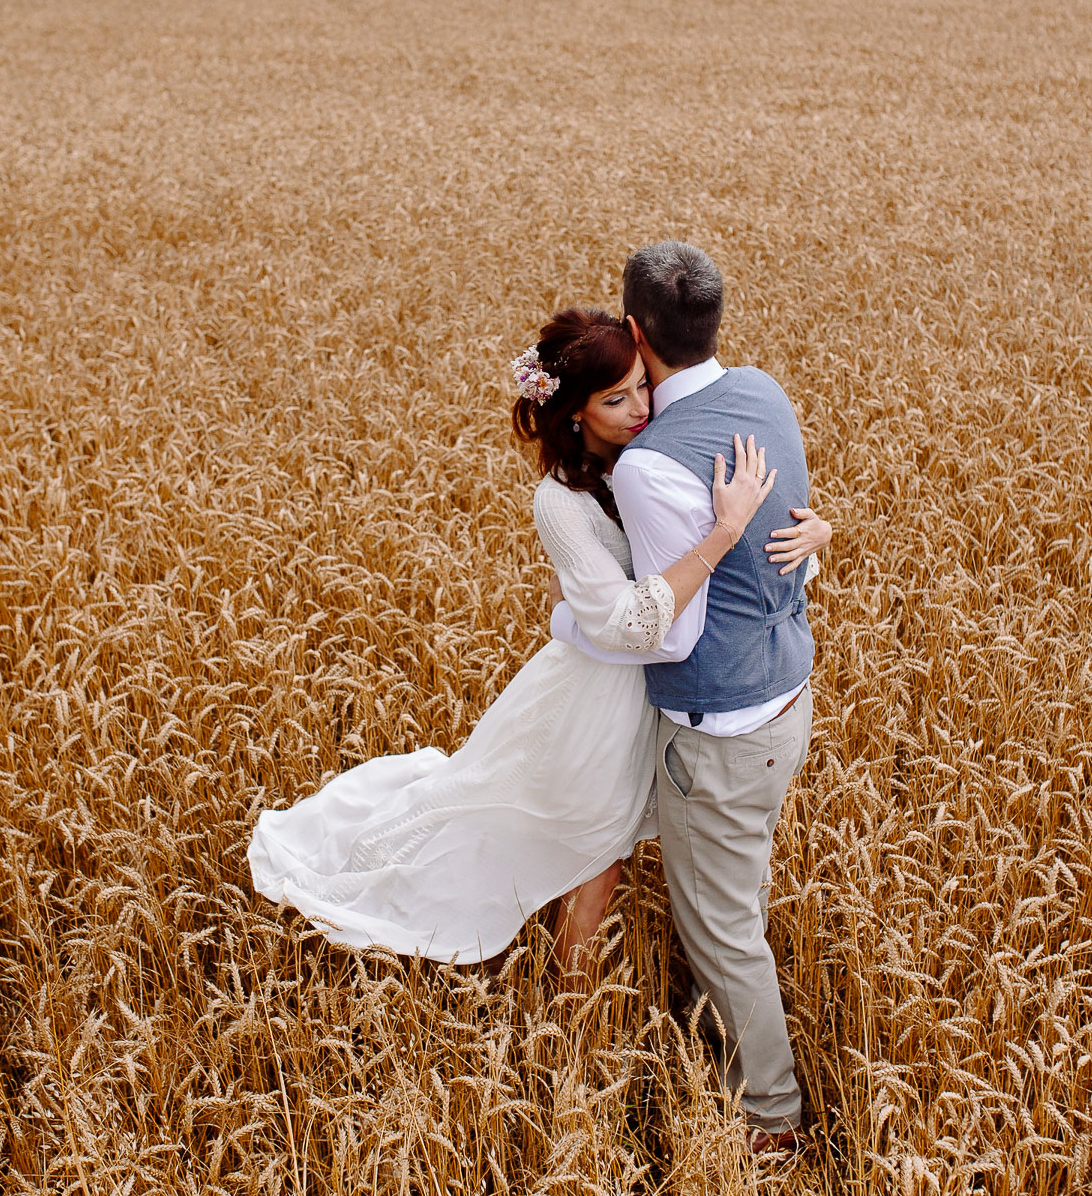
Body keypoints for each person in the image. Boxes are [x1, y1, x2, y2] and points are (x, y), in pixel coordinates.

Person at [247, 308, 832, 976]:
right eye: (616, 399)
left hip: (659, 692)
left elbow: (749, 563)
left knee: (604, 846)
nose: (642, 407)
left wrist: (815, 534)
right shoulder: (561, 502)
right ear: (574, 415)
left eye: (644, 385)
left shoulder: (661, 454)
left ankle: (572, 1001)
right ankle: (571, 1001)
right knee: (590, 846)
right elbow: (625, 621)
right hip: (598, 697)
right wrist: (723, 534)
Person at [549, 242, 815, 1157]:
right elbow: (793, 545)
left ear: (634, 332)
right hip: (788, 699)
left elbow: (669, 631)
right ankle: (703, 1023)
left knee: (725, 925)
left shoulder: (646, 464)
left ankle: (770, 1120)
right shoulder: (768, 395)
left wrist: (579, 628)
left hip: (719, 728)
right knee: (722, 893)